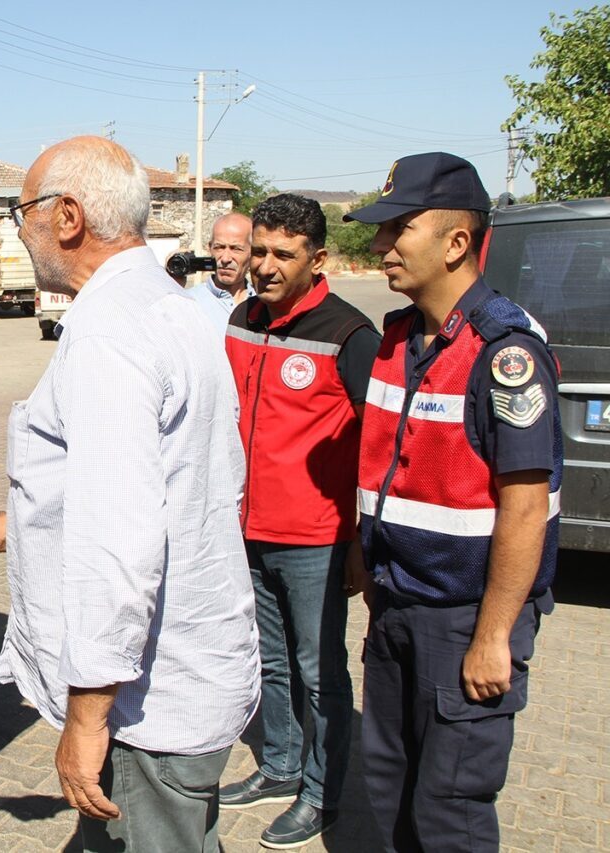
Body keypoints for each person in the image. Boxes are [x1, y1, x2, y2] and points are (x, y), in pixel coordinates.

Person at [0, 136, 261, 853]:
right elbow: (126, 491)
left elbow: (119, 542)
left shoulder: (109, 330)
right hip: (177, 679)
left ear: (66, 216)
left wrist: (87, 721)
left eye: (21, 211)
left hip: (144, 707)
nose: (18, 228)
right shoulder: (166, 305)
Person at [344, 152, 562, 853]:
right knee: (385, 789)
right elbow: (386, 469)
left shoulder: (506, 352)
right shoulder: (400, 338)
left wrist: (494, 635)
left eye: (398, 229)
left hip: (466, 618)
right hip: (397, 606)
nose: (381, 247)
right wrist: (364, 556)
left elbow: (526, 508)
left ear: (457, 242)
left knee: (450, 809)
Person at [218, 193, 380, 849]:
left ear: (318, 258)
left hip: (316, 539)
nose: (265, 265)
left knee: (320, 674)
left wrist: (359, 539)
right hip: (246, 530)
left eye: (283, 254)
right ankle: (281, 766)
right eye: (259, 250)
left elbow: (380, 443)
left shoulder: (349, 334)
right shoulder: (239, 319)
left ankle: (321, 792)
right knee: (271, 664)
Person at [183, 212, 256, 336]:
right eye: (219, 247)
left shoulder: (263, 305)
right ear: (210, 248)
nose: (225, 258)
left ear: (253, 252)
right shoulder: (188, 303)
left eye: (236, 249)